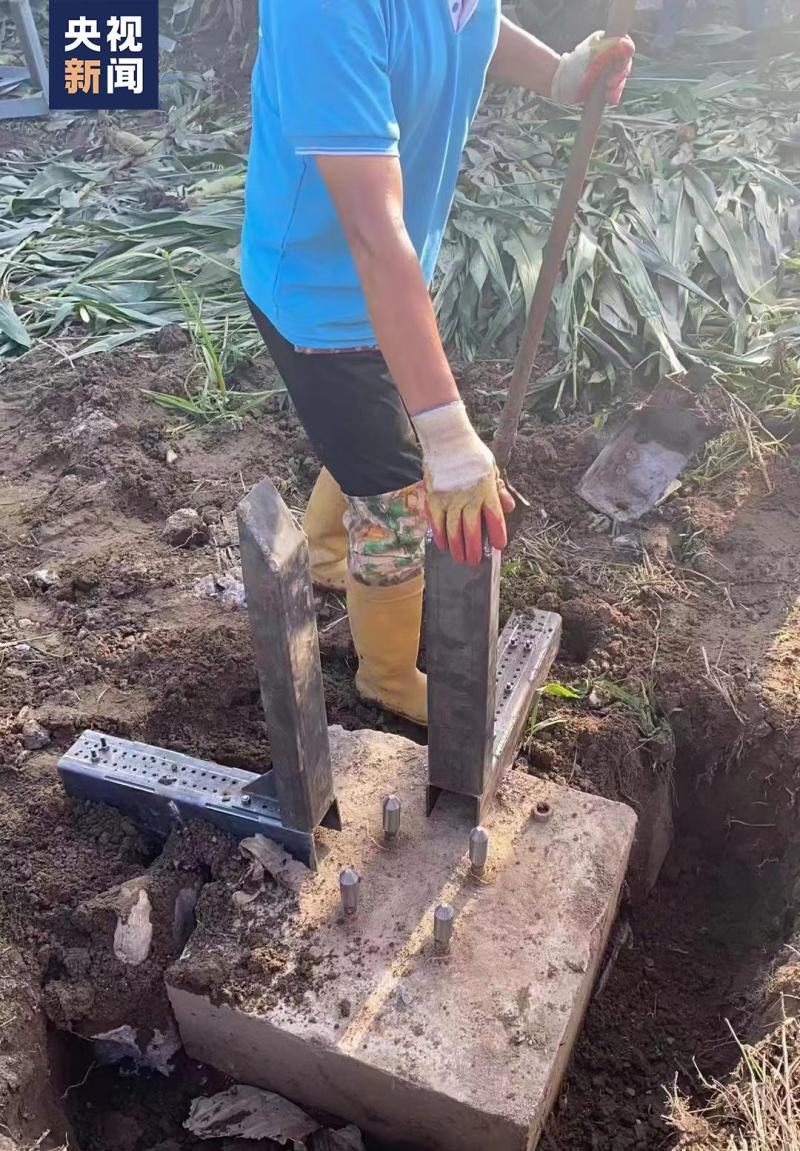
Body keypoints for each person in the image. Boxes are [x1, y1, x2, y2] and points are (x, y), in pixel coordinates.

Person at [242, 1, 634, 727]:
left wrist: (556, 74)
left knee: (378, 432)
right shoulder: (320, 11)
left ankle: (329, 549)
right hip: (320, 293)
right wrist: (448, 437)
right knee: (396, 488)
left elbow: (468, 18)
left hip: (390, 276)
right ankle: (388, 675)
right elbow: (369, 231)